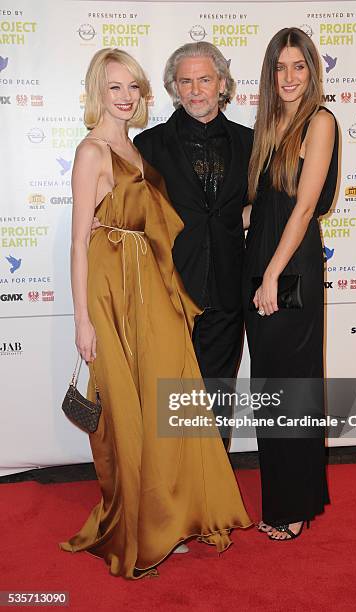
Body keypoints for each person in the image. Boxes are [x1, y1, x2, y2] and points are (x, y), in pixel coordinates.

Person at [60, 47, 251, 579]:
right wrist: (82, 319)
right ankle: (137, 532)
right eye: (114, 87)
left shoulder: (135, 147)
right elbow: (79, 243)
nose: (125, 97)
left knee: (169, 404)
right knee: (127, 412)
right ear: (97, 90)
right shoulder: (93, 151)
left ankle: (170, 516)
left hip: (153, 285)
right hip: (112, 293)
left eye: (132, 87)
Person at [243, 28, 339, 540]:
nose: (288, 77)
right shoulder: (269, 125)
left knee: (294, 387)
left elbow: (303, 208)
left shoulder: (319, 121)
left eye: (298, 66)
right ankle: (282, 496)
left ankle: (296, 504)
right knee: (269, 388)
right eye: (280, 68)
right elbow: (268, 203)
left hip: (291, 266)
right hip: (262, 260)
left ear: (312, 71)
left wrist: (275, 275)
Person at [133, 42, 253, 444]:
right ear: (174, 87)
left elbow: (265, 206)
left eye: (205, 79)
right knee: (172, 399)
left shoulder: (249, 144)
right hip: (169, 290)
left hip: (227, 288)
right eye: (186, 81)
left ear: (222, 83)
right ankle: (175, 493)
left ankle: (213, 494)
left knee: (217, 396)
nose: (196, 90)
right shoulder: (149, 146)